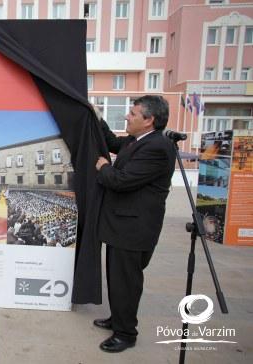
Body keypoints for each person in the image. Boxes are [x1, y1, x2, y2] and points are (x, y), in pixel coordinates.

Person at [93, 95, 175, 352]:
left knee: (126, 282)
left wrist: (104, 167)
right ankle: (118, 318)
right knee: (117, 279)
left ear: (149, 120)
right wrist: (98, 118)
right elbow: (113, 142)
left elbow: (122, 180)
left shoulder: (157, 148)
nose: (127, 116)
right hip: (122, 226)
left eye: (132, 113)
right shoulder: (138, 140)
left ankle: (126, 333)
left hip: (133, 229)